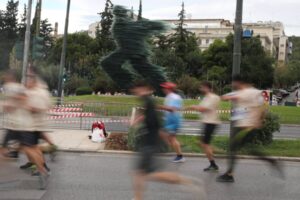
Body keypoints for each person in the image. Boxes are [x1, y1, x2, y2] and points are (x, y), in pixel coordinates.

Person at [130, 81, 206, 200]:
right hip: (153, 139)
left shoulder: (155, 100)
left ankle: (187, 180)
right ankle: (138, 198)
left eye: (137, 89)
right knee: (141, 173)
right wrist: (140, 119)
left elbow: (169, 112)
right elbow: (152, 119)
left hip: (156, 138)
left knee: (146, 173)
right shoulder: (150, 101)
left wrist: (162, 134)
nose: (135, 92)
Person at [216, 75, 283, 183]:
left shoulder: (247, 93)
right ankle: (271, 161)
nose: (233, 85)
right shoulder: (250, 92)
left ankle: (229, 174)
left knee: (233, 149)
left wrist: (258, 120)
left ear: (238, 82)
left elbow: (228, 97)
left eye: (234, 83)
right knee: (249, 150)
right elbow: (263, 108)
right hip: (246, 126)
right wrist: (260, 120)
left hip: (245, 127)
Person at [185, 81, 220, 172]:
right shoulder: (206, 98)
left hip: (211, 123)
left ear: (208, 88)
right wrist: (194, 107)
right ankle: (213, 155)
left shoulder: (213, 97)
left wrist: (193, 107)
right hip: (206, 122)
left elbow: (204, 109)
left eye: (202, 87)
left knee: (204, 144)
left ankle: (213, 164)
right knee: (202, 143)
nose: (201, 89)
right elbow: (201, 108)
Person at [0, 70, 25, 158]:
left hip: (17, 117)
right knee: (14, 136)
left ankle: (6, 151)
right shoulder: (9, 86)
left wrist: (12, 102)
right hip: (13, 117)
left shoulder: (16, 87)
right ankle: (14, 152)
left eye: (7, 77)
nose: (5, 78)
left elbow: (23, 98)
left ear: (11, 77)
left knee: (11, 136)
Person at [159, 82, 185, 163]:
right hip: (170, 121)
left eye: (164, 88)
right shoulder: (169, 97)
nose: (163, 89)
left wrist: (158, 106)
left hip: (175, 121)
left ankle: (179, 155)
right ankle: (178, 148)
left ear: (169, 89)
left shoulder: (175, 97)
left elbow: (172, 109)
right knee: (168, 137)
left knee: (168, 136)